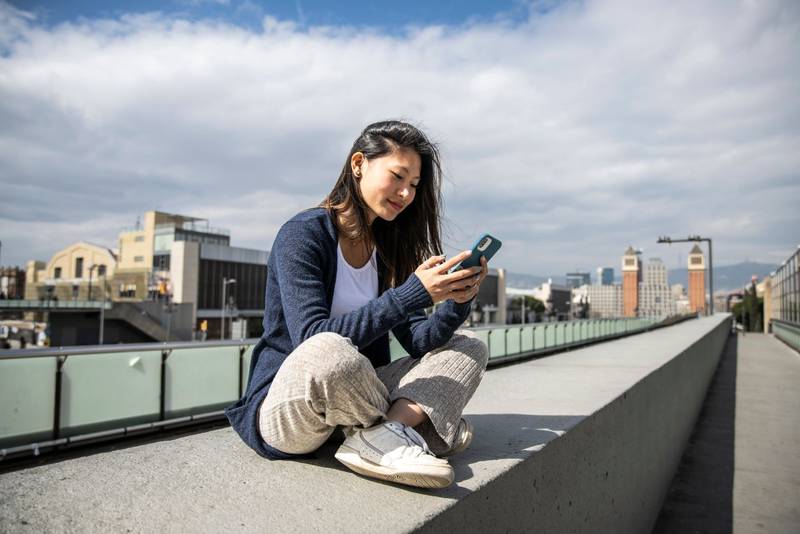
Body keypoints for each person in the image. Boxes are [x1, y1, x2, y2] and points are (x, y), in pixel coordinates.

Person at [225, 120, 489, 489]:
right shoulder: (303, 234)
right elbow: (309, 337)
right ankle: (412, 427)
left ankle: (382, 434)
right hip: (291, 403)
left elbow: (418, 341)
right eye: (397, 176)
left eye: (413, 185)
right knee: (329, 350)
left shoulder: (388, 250)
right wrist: (412, 293)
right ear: (359, 164)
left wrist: (458, 299)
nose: (406, 193)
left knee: (469, 345)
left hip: (357, 394)